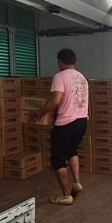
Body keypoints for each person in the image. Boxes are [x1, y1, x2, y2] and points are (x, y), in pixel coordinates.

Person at [29, 48, 88, 205]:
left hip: (66, 123)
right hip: (82, 121)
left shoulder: (60, 76)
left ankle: (66, 195)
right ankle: (76, 182)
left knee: (57, 160)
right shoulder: (81, 77)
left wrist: (39, 113)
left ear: (60, 61)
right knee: (71, 151)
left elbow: (56, 100)